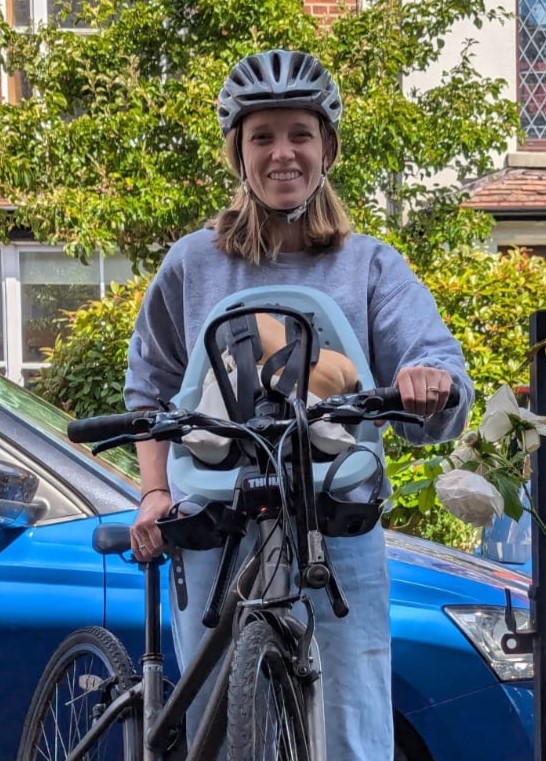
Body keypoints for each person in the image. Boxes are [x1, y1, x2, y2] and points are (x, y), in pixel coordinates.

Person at [124, 49, 474, 760]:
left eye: (299, 134)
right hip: (215, 518)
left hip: (331, 525)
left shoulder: (370, 263)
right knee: (217, 726)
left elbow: (435, 361)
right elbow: (150, 383)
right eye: (262, 137)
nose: (281, 153)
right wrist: (154, 489)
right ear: (238, 153)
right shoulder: (192, 262)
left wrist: (427, 380)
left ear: (326, 148)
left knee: (349, 723)